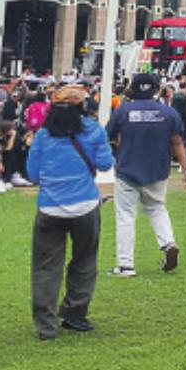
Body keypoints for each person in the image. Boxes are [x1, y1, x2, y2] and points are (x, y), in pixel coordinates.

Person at [28, 83, 115, 340]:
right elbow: (105, 164)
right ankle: (75, 313)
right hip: (85, 206)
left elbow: (32, 174)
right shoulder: (94, 130)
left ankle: (46, 324)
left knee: (46, 267)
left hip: (49, 208)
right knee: (84, 261)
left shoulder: (43, 135)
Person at [105, 72, 186, 278]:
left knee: (126, 216)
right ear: (157, 89)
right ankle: (168, 242)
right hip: (157, 169)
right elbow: (177, 142)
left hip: (128, 168)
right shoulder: (169, 113)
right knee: (156, 208)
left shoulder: (123, 111)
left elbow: (109, 136)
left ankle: (126, 265)